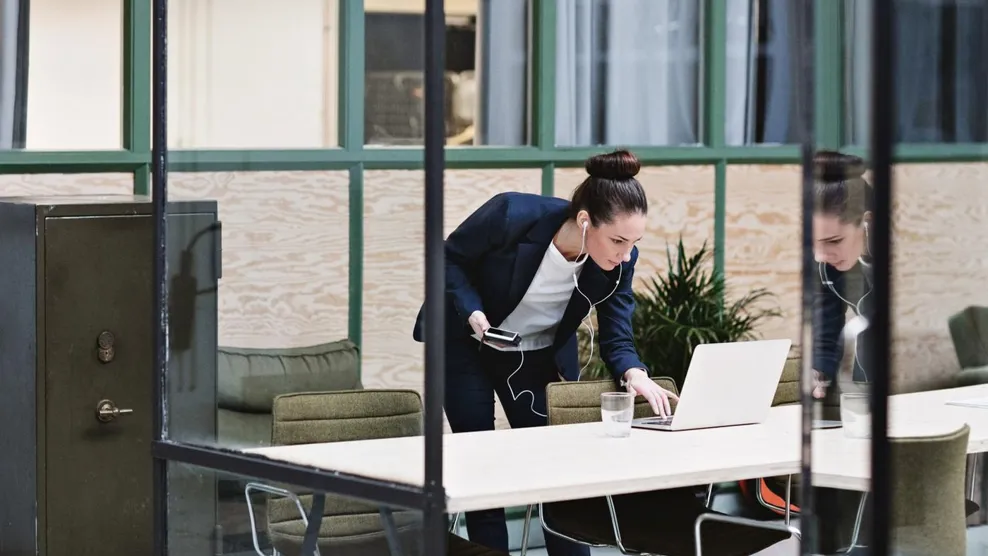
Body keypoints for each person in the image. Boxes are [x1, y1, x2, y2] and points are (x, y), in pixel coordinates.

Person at [412, 149, 677, 556]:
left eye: (633, 243)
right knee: (482, 463)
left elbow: (617, 333)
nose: (625, 254)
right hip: (466, 342)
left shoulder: (620, 261)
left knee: (557, 469)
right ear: (586, 220)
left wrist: (634, 374)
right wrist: (472, 311)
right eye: (618, 241)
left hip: (534, 355)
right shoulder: (511, 214)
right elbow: (448, 257)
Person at [811, 150, 874, 401]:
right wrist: (816, 373)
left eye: (834, 241)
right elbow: (826, 336)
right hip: (865, 381)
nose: (820, 256)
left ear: (867, 223)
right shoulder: (826, 264)